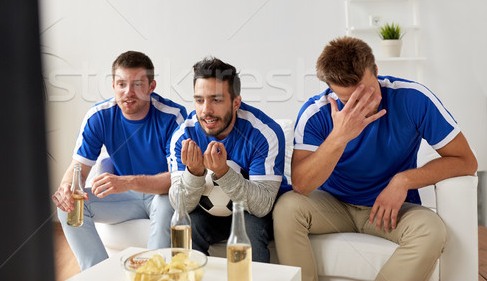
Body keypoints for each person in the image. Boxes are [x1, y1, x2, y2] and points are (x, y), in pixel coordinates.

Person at [273, 36, 477, 281]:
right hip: (333, 205)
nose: (361, 105)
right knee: (286, 208)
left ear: (376, 71)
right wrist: (339, 138)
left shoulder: (413, 98)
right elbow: (301, 185)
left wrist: (403, 181)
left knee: (431, 231)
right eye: (349, 100)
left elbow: (466, 161)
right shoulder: (315, 113)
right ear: (330, 88)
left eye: (366, 92)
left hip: (389, 210)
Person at [52, 51, 187, 270]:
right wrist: (66, 188)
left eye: (137, 84)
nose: (128, 92)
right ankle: (98, 274)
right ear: (113, 85)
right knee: (68, 206)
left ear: (152, 87)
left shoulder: (173, 117)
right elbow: (78, 168)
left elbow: (178, 179)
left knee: (165, 204)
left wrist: (128, 181)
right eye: (122, 84)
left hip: (162, 195)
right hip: (127, 198)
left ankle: (153, 274)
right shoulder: (99, 116)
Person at [167, 57, 291, 263]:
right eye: (199, 100)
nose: (206, 110)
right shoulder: (183, 136)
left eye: (216, 100)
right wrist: (194, 173)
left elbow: (262, 206)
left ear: (235, 103)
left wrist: (223, 173)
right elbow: (178, 205)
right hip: (209, 213)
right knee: (187, 227)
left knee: (249, 229)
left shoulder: (264, 133)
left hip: (253, 211)